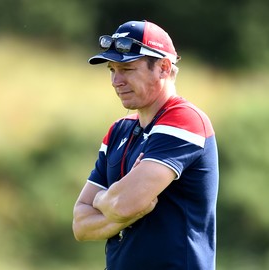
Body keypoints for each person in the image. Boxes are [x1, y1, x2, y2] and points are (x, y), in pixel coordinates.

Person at [72, 20, 219, 270]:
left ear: (163, 67)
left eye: (127, 69)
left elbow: (126, 203)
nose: (115, 80)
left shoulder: (184, 120)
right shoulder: (119, 130)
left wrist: (104, 201)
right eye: (112, 69)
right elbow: (81, 224)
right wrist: (118, 204)